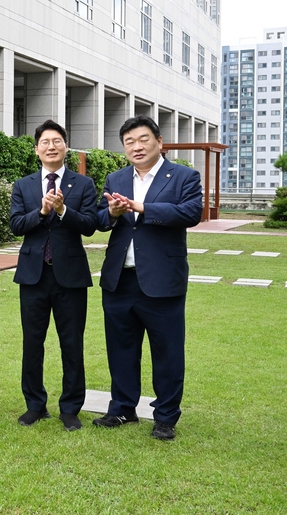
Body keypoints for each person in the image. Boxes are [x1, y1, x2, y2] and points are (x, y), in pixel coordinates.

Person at [93, 115, 202, 441]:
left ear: (159, 142)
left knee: (167, 352)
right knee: (121, 348)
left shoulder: (183, 176)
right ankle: (123, 408)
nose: (136, 147)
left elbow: (190, 213)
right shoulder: (116, 178)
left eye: (143, 139)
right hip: (119, 279)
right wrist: (111, 214)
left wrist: (141, 207)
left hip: (162, 279)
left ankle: (166, 417)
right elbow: (100, 219)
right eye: (129, 142)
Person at [10, 120, 98, 432]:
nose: (51, 146)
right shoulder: (24, 185)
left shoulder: (83, 184)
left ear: (65, 147)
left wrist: (62, 211)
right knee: (32, 343)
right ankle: (35, 405)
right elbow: (16, 225)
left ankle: (71, 408)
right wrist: (43, 212)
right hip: (33, 275)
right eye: (45, 141)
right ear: (37, 149)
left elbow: (90, 224)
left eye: (57, 141)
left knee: (71, 343)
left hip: (70, 276)